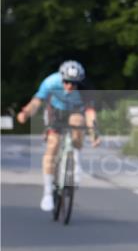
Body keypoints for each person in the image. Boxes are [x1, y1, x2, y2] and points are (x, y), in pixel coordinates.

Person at [15, 60, 99, 211]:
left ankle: (77, 164)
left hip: (75, 110)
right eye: (66, 82)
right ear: (61, 78)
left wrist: (94, 134)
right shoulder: (51, 82)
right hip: (55, 111)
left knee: (78, 123)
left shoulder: (86, 87)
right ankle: (47, 192)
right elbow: (37, 101)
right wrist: (26, 113)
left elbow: (90, 113)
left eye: (74, 83)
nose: (69, 86)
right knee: (52, 146)